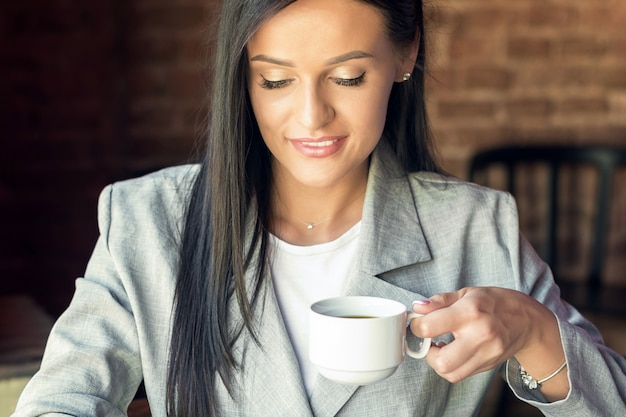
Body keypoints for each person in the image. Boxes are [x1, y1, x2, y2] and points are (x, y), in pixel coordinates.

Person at [12, 0, 626, 416]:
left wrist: (533, 332)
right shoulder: (147, 222)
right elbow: (57, 401)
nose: (311, 118)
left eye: (349, 77)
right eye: (275, 81)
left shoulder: (473, 228)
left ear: (406, 55)